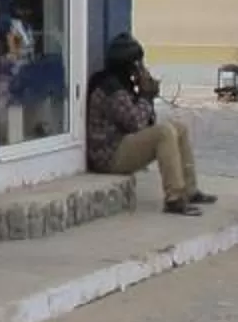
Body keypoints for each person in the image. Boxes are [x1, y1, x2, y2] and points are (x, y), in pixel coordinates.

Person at [86, 34, 209, 214]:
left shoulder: (121, 83)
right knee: (164, 133)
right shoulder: (111, 88)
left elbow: (144, 122)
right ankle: (174, 197)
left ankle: (190, 190)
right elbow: (137, 123)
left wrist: (146, 97)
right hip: (109, 156)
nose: (141, 69)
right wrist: (146, 95)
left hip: (120, 144)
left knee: (179, 128)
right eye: (138, 64)